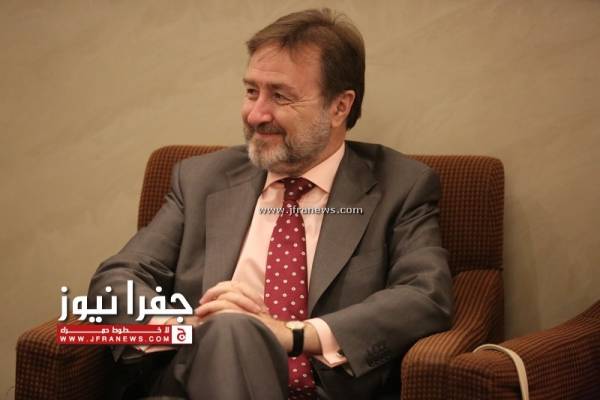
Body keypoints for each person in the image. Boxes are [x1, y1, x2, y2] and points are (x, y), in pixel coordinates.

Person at [88, 8, 453, 400]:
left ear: (339, 107)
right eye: (251, 91)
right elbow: (117, 277)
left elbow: (424, 295)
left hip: (326, 389)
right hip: (191, 383)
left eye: (279, 96)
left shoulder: (400, 186)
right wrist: (189, 327)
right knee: (228, 330)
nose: (255, 114)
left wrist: (291, 334)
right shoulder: (200, 180)